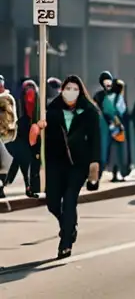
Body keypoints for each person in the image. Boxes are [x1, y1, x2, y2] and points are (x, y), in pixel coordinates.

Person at [44, 75, 101, 258]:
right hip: (56, 162)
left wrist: (95, 165)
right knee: (53, 203)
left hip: (79, 164)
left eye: (74, 89)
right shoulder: (52, 110)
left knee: (69, 200)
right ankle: (68, 226)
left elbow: (95, 141)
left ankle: (66, 242)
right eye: (67, 89)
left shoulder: (89, 111)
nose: (71, 93)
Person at [7, 79, 41, 196]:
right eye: (27, 90)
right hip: (22, 135)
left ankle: (32, 186)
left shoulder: (39, 106)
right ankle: (27, 186)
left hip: (36, 135)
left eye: (31, 89)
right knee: (23, 161)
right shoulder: (18, 104)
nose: (29, 93)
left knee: (32, 162)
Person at [0, 87, 15, 198]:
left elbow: (10, 117)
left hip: (5, 134)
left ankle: (1, 188)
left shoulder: (6, 98)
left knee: (5, 162)